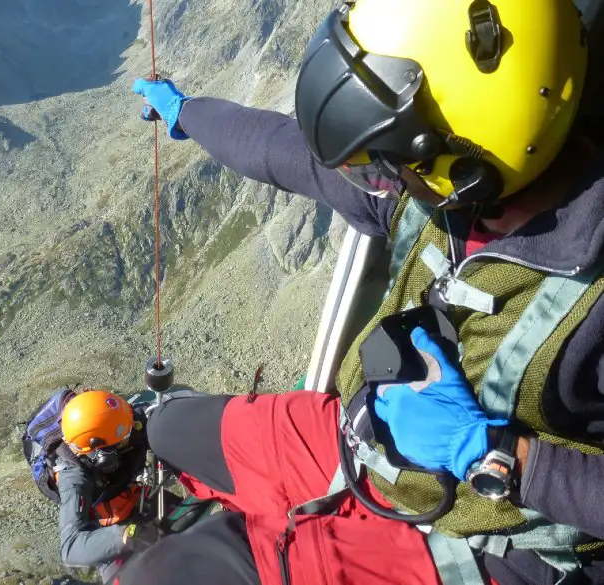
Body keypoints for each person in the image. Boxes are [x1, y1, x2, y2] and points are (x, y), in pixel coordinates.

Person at [120, 0, 604, 584]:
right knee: (167, 428)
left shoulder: (592, 291)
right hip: (366, 443)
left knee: (168, 574)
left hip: (494, 539)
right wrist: (187, 114)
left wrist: (499, 454)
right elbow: (279, 151)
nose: (376, 178)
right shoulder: (435, 190)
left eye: (385, 157)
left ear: (461, 143)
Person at [52, 389, 164, 583]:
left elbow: (139, 419)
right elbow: (70, 547)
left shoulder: (119, 420)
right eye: (123, 439)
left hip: (135, 497)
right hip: (108, 527)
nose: (131, 431)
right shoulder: (73, 479)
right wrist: (125, 536)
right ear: (101, 454)